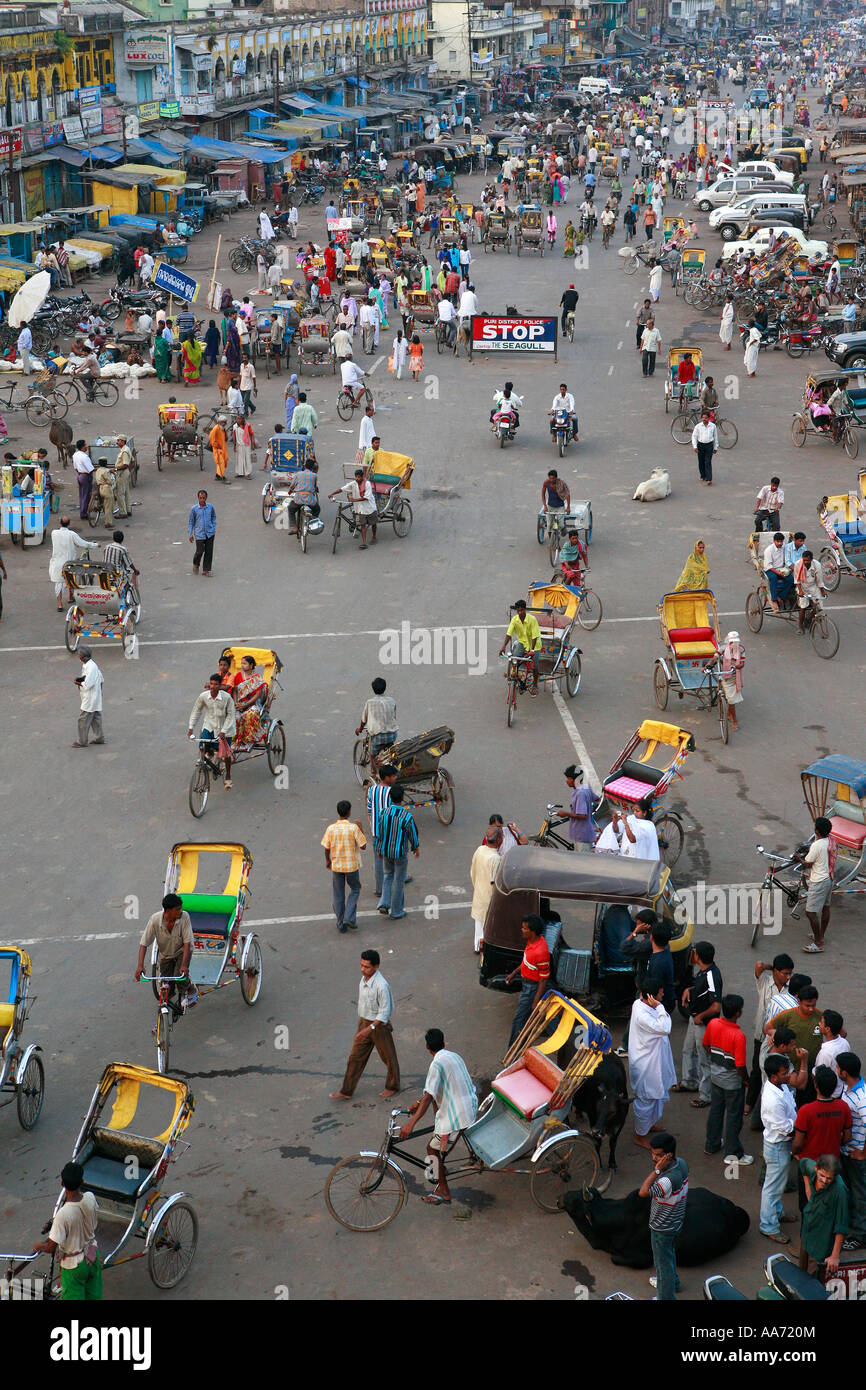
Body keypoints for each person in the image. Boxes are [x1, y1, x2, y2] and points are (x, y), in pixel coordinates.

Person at [398, 1029, 477, 1206]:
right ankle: (440, 1169)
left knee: (431, 1150)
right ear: (443, 1042)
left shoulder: (436, 1065)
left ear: (427, 1046)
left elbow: (428, 1098)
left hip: (458, 1115)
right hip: (469, 1103)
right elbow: (430, 1093)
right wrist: (418, 1103)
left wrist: (410, 1124)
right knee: (436, 1145)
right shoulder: (453, 1056)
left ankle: (444, 1191)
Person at [329, 950, 400, 1100]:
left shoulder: (381, 986)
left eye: (366, 967)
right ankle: (346, 1091)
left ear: (376, 967)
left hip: (379, 1026)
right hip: (364, 1022)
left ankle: (393, 1086)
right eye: (361, 965)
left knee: (389, 1057)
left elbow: (385, 1012)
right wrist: (364, 1026)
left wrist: (370, 1028)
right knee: (355, 1057)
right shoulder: (364, 980)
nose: (362, 969)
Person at [32, 1161, 100, 1300]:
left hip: (74, 1267)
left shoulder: (63, 1214)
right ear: (82, 1181)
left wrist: (38, 1246)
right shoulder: (90, 1197)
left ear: (62, 1184)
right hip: (93, 1256)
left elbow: (51, 1247)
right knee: (94, 1295)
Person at [638, 1132, 688, 1300]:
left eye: (658, 1155)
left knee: (662, 1264)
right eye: (652, 1153)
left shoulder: (666, 1180)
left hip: (662, 1227)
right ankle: (673, 1282)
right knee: (669, 1254)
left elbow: (643, 1191)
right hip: (676, 1222)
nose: (654, 1158)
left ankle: (665, 1295)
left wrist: (657, 1170)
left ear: (668, 1155)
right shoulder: (681, 1164)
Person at [702, 994, 752, 1164]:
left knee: (716, 1111)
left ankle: (712, 1143)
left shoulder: (713, 1024)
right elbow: (740, 1066)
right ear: (738, 1013)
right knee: (733, 1117)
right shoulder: (738, 1036)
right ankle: (733, 1153)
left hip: (715, 1077)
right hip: (732, 1083)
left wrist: (717, 1059)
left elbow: (706, 1044)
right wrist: (746, 1080)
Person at [629, 977, 677, 1150]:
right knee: (646, 1100)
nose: (663, 993)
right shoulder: (643, 1013)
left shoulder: (640, 1004)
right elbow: (665, 1027)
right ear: (651, 997)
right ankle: (639, 1136)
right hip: (646, 1067)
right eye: (660, 992)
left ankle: (649, 1125)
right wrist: (660, 1006)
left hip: (654, 1062)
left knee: (655, 1098)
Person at [677, 941, 722, 1107]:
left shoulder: (712, 975)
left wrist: (701, 1016)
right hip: (694, 1019)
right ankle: (689, 1081)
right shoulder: (704, 972)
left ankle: (705, 1095)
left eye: (694, 953)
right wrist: (689, 990)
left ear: (699, 957)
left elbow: (716, 1006)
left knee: (705, 1059)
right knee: (688, 1050)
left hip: (703, 1023)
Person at [760, 1054, 798, 1243]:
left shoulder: (780, 1086)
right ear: (774, 1076)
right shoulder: (772, 1100)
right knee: (773, 1187)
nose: (788, 1075)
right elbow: (785, 1128)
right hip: (777, 1145)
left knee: (778, 1183)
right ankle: (768, 1226)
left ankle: (777, 1212)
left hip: (781, 1144)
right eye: (785, 1073)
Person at [135, 892, 196, 1007]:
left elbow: (187, 943)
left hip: (182, 951)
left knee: (180, 976)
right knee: (166, 985)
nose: (180, 911)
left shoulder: (184, 917)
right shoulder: (155, 920)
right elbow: (144, 944)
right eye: (177, 909)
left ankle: (191, 988)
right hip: (166, 954)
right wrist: (140, 966)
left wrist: (184, 965)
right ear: (168, 911)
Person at [798, 1154, 849, 1275]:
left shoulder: (840, 1191)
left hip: (821, 1244)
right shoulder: (811, 1167)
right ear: (816, 1168)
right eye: (822, 1175)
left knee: (811, 1281)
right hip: (806, 1235)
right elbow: (803, 1163)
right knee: (799, 1274)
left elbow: (841, 1225)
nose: (824, 1181)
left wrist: (835, 1256)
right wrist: (807, 1188)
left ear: (835, 1176)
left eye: (829, 1178)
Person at [504, 914, 550, 1046]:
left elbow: (543, 979)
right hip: (527, 985)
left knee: (519, 1020)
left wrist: (535, 1001)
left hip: (531, 989)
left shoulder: (541, 951)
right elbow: (526, 961)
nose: (522, 930)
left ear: (533, 931)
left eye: (524, 928)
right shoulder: (532, 941)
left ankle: (513, 1052)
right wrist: (514, 972)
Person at [321, 799, 366, 933]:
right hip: (351, 866)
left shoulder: (331, 828)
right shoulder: (353, 828)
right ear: (349, 812)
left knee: (338, 894)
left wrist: (328, 860)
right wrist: (360, 828)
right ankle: (349, 917)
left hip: (337, 866)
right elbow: (363, 846)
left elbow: (326, 847)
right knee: (355, 889)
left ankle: (341, 923)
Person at [375, 784, 419, 920]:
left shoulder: (383, 813)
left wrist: (379, 848)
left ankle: (384, 902)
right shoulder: (406, 816)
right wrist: (415, 847)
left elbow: (379, 832)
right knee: (399, 880)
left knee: (388, 876)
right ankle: (397, 911)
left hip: (386, 851)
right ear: (402, 798)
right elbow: (412, 834)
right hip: (400, 853)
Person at [798, 817, 835, 952]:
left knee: (810, 912)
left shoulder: (817, 845)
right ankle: (820, 935)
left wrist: (799, 858)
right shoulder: (831, 840)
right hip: (829, 878)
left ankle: (818, 943)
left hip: (819, 881)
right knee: (825, 907)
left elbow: (808, 863)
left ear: (816, 831)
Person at [49, 516, 99, 612]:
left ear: (60, 523)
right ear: (69, 523)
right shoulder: (72, 534)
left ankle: (60, 604)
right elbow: (83, 544)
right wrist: (96, 545)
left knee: (59, 583)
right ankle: (70, 597)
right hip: (69, 563)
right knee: (70, 579)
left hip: (57, 562)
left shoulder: (54, 533)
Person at [498, 598, 541, 694]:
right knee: (514, 659)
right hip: (522, 643)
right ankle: (517, 677)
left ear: (525, 610)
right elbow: (509, 634)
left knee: (534, 666)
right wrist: (503, 646)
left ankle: (535, 684)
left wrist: (533, 650)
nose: (520, 612)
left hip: (535, 645)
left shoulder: (532, 619)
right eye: (518, 610)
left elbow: (535, 636)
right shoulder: (515, 620)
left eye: (522, 610)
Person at [470, 825, 501, 953]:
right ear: (499, 839)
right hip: (489, 897)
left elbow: (473, 872)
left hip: (479, 893)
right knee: (489, 925)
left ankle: (478, 946)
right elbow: (496, 882)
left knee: (479, 923)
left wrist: (477, 886)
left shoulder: (480, 850)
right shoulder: (496, 858)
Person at [72, 647, 104, 748]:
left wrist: (78, 683)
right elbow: (101, 680)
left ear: (83, 658)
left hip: (90, 699)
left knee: (83, 719)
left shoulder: (90, 668)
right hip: (95, 697)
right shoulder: (91, 665)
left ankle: (82, 741)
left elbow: (88, 684)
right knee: (95, 718)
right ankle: (99, 738)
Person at [285, 458, 320, 536]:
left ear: (305, 466)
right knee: (317, 509)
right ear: (313, 467)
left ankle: (294, 528)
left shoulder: (298, 474)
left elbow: (292, 485)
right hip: (310, 500)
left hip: (298, 499)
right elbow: (314, 487)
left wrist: (289, 492)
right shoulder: (314, 475)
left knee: (291, 508)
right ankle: (312, 523)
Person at [718, 630, 744, 731]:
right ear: (728, 642)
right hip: (725, 675)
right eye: (732, 642)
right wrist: (707, 666)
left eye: (736, 642)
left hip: (735, 676)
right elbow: (714, 658)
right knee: (731, 700)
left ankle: (732, 717)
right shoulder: (723, 649)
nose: (734, 644)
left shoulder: (741, 649)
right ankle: (734, 720)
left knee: (731, 700)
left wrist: (738, 666)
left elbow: (742, 663)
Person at [188, 488, 216, 577]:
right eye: (200, 498)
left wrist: (213, 526)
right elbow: (191, 521)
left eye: (204, 498)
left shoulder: (210, 507)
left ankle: (206, 570)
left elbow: (213, 516)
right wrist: (190, 534)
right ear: (198, 498)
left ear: (206, 498)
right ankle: (196, 564)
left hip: (210, 533)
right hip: (199, 534)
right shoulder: (194, 509)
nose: (202, 500)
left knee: (209, 551)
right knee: (200, 551)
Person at [691, 409, 717, 486]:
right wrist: (695, 446)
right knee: (701, 462)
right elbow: (694, 436)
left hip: (709, 445)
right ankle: (703, 475)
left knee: (708, 462)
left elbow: (715, 437)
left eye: (706, 418)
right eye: (703, 418)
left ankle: (709, 479)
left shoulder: (713, 426)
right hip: (700, 445)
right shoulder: (698, 426)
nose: (704, 419)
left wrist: (715, 447)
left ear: (709, 418)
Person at [71, 440, 94, 522]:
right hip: (85, 477)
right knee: (86, 495)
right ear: (82, 446)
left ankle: (83, 511)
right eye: (85, 445)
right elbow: (91, 469)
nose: (86, 446)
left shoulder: (75, 455)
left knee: (82, 494)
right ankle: (84, 513)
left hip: (80, 475)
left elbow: (76, 468)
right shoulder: (85, 457)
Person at [209, 416, 230, 484]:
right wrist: (216, 445)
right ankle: (222, 477)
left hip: (223, 448)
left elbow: (225, 438)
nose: (224, 423)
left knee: (224, 460)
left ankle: (218, 475)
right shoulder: (216, 428)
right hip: (218, 449)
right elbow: (211, 438)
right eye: (223, 422)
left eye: (225, 422)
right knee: (221, 462)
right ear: (219, 422)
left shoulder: (223, 428)